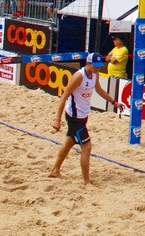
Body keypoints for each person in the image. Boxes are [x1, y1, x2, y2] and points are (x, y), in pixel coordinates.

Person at [49, 52, 119, 184]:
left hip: (83, 115)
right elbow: (63, 97)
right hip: (74, 116)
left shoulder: (95, 74)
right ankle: (86, 182)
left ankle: (55, 170)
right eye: (96, 66)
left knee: (69, 141)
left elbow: (99, 90)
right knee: (87, 147)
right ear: (88, 63)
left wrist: (114, 102)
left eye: (99, 66)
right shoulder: (78, 77)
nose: (98, 69)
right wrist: (57, 119)